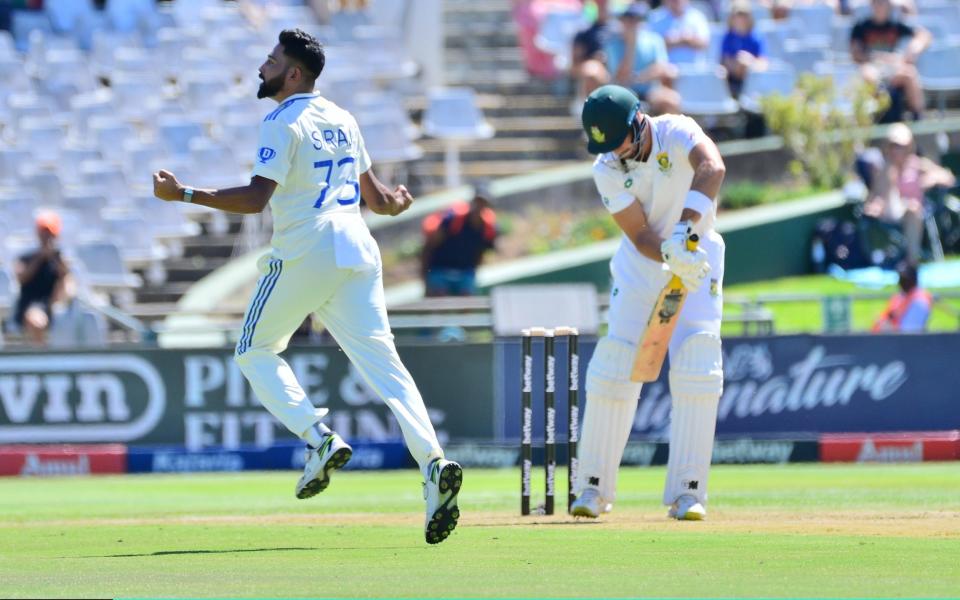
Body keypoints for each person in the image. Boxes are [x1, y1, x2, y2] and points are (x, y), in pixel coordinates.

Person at [151, 29, 462, 545]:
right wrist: (399, 203)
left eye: (270, 61)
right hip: (359, 248)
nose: (261, 67)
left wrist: (183, 193)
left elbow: (255, 199)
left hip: (308, 247)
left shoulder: (280, 120)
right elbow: (379, 198)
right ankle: (434, 464)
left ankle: (317, 439)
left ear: (293, 74)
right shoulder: (343, 118)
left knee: (253, 350)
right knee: (387, 367)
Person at [571, 85, 725, 520]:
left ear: (638, 122)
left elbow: (712, 167)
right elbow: (639, 234)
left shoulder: (677, 132)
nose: (613, 153)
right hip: (642, 267)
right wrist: (667, 250)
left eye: (617, 140)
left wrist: (685, 235)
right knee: (613, 366)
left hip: (698, 259)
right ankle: (592, 489)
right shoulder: (605, 167)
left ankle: (688, 493)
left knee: (698, 363)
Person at [862, 123, 956, 262]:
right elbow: (874, 198)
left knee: (912, 208)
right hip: (889, 213)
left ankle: (911, 263)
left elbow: (948, 178)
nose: (896, 150)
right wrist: (874, 206)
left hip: (913, 212)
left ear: (908, 147)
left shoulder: (917, 164)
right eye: (893, 146)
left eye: (899, 146)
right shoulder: (884, 171)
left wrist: (929, 179)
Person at [850, 0, 930, 122]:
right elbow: (856, 54)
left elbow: (924, 35)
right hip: (872, 67)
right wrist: (877, 57)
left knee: (910, 73)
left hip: (893, 69)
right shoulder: (861, 26)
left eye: (883, 2)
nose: (880, 6)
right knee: (869, 75)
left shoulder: (896, 24)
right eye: (876, 2)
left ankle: (918, 119)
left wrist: (915, 47)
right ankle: (878, 116)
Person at [421, 181, 498, 297]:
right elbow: (429, 247)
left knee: (467, 305)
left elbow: (481, 254)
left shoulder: (487, 228)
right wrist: (424, 277)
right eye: (478, 201)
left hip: (465, 274)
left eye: (483, 203)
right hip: (440, 271)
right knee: (440, 302)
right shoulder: (453, 220)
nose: (480, 206)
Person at [604, 2, 681, 115]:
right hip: (623, 93)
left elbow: (661, 68)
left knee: (672, 101)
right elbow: (621, 78)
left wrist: (638, 78)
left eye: (636, 19)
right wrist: (631, 45)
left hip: (650, 92)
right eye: (628, 18)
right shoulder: (612, 44)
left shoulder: (654, 40)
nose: (632, 23)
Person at [13, 210, 70, 346]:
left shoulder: (60, 260)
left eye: (49, 233)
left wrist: (54, 260)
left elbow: (67, 282)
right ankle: (41, 358)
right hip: (29, 305)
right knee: (36, 321)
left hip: (52, 306)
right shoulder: (26, 257)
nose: (46, 237)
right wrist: (40, 258)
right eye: (44, 233)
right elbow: (21, 278)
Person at [720, 0, 768, 98]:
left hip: (753, 80)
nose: (741, 19)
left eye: (744, 15)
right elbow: (725, 62)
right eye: (738, 15)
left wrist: (749, 62)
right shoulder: (728, 37)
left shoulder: (756, 37)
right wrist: (738, 65)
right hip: (732, 82)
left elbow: (763, 63)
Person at [571, 0, 614, 100]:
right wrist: (594, 60)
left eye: (605, 4)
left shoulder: (618, 31)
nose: (602, 7)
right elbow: (575, 64)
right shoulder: (583, 33)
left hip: (615, 70)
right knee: (591, 71)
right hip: (591, 69)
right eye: (599, 4)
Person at [872, 262, 931, 332]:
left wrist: (886, 327)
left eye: (904, 278)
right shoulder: (901, 296)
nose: (901, 281)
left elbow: (908, 333)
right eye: (900, 277)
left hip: (898, 341)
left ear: (914, 279)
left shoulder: (919, 302)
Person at [647, 0, 710, 65]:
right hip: (664, 72)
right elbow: (648, 49)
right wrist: (667, 42)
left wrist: (687, 39)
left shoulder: (697, 17)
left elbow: (704, 43)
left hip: (694, 71)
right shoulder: (655, 18)